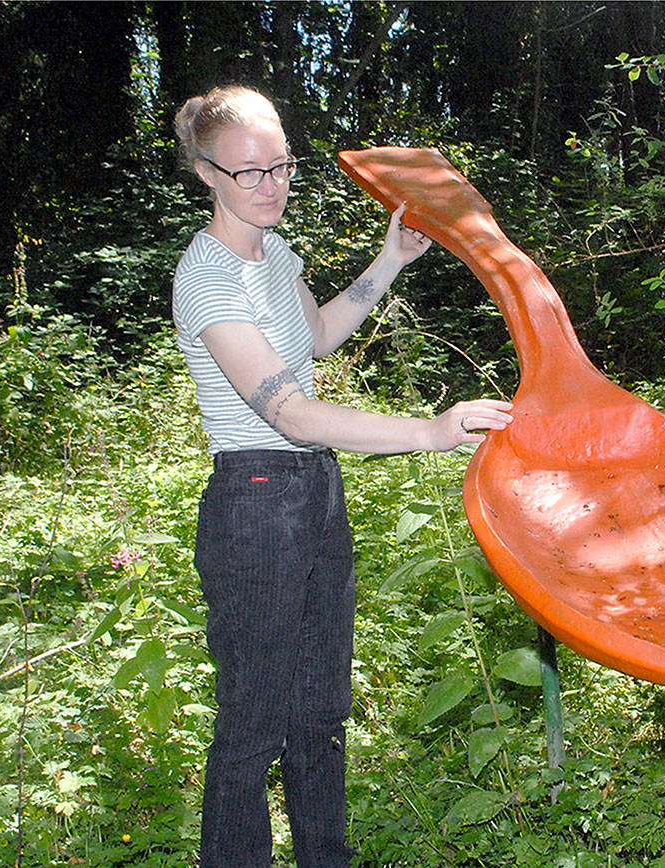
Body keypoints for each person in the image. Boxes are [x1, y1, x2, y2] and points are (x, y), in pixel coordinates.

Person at [171, 85, 512, 868]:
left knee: (321, 710)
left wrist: (388, 261)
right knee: (252, 724)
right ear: (206, 173)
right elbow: (290, 414)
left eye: (281, 166)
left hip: (314, 495)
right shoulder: (207, 280)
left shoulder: (276, 254)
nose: (271, 185)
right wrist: (429, 432)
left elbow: (319, 337)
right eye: (249, 172)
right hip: (254, 502)